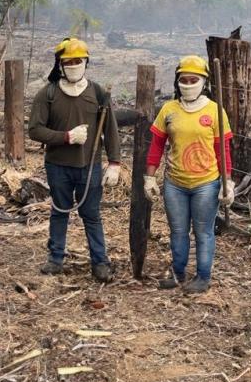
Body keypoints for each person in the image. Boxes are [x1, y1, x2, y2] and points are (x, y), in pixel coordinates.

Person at [28, 37, 121, 283]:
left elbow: (109, 129)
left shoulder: (98, 92)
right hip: (57, 165)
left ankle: (100, 262)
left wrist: (114, 162)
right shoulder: (47, 94)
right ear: (59, 64)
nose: (73, 65)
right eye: (68, 61)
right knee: (60, 211)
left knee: (91, 214)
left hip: (89, 166)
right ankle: (56, 258)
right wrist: (66, 137)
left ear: (86, 62)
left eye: (78, 61)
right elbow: (35, 130)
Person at [143, 55, 234, 294]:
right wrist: (149, 176)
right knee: (178, 230)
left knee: (203, 231)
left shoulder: (215, 111)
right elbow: (156, 145)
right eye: (184, 79)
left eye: (194, 79)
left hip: (207, 183)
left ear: (204, 82)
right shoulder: (169, 110)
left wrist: (228, 182)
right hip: (175, 183)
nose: (188, 83)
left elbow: (222, 149)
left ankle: (203, 276)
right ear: (177, 81)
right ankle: (178, 271)